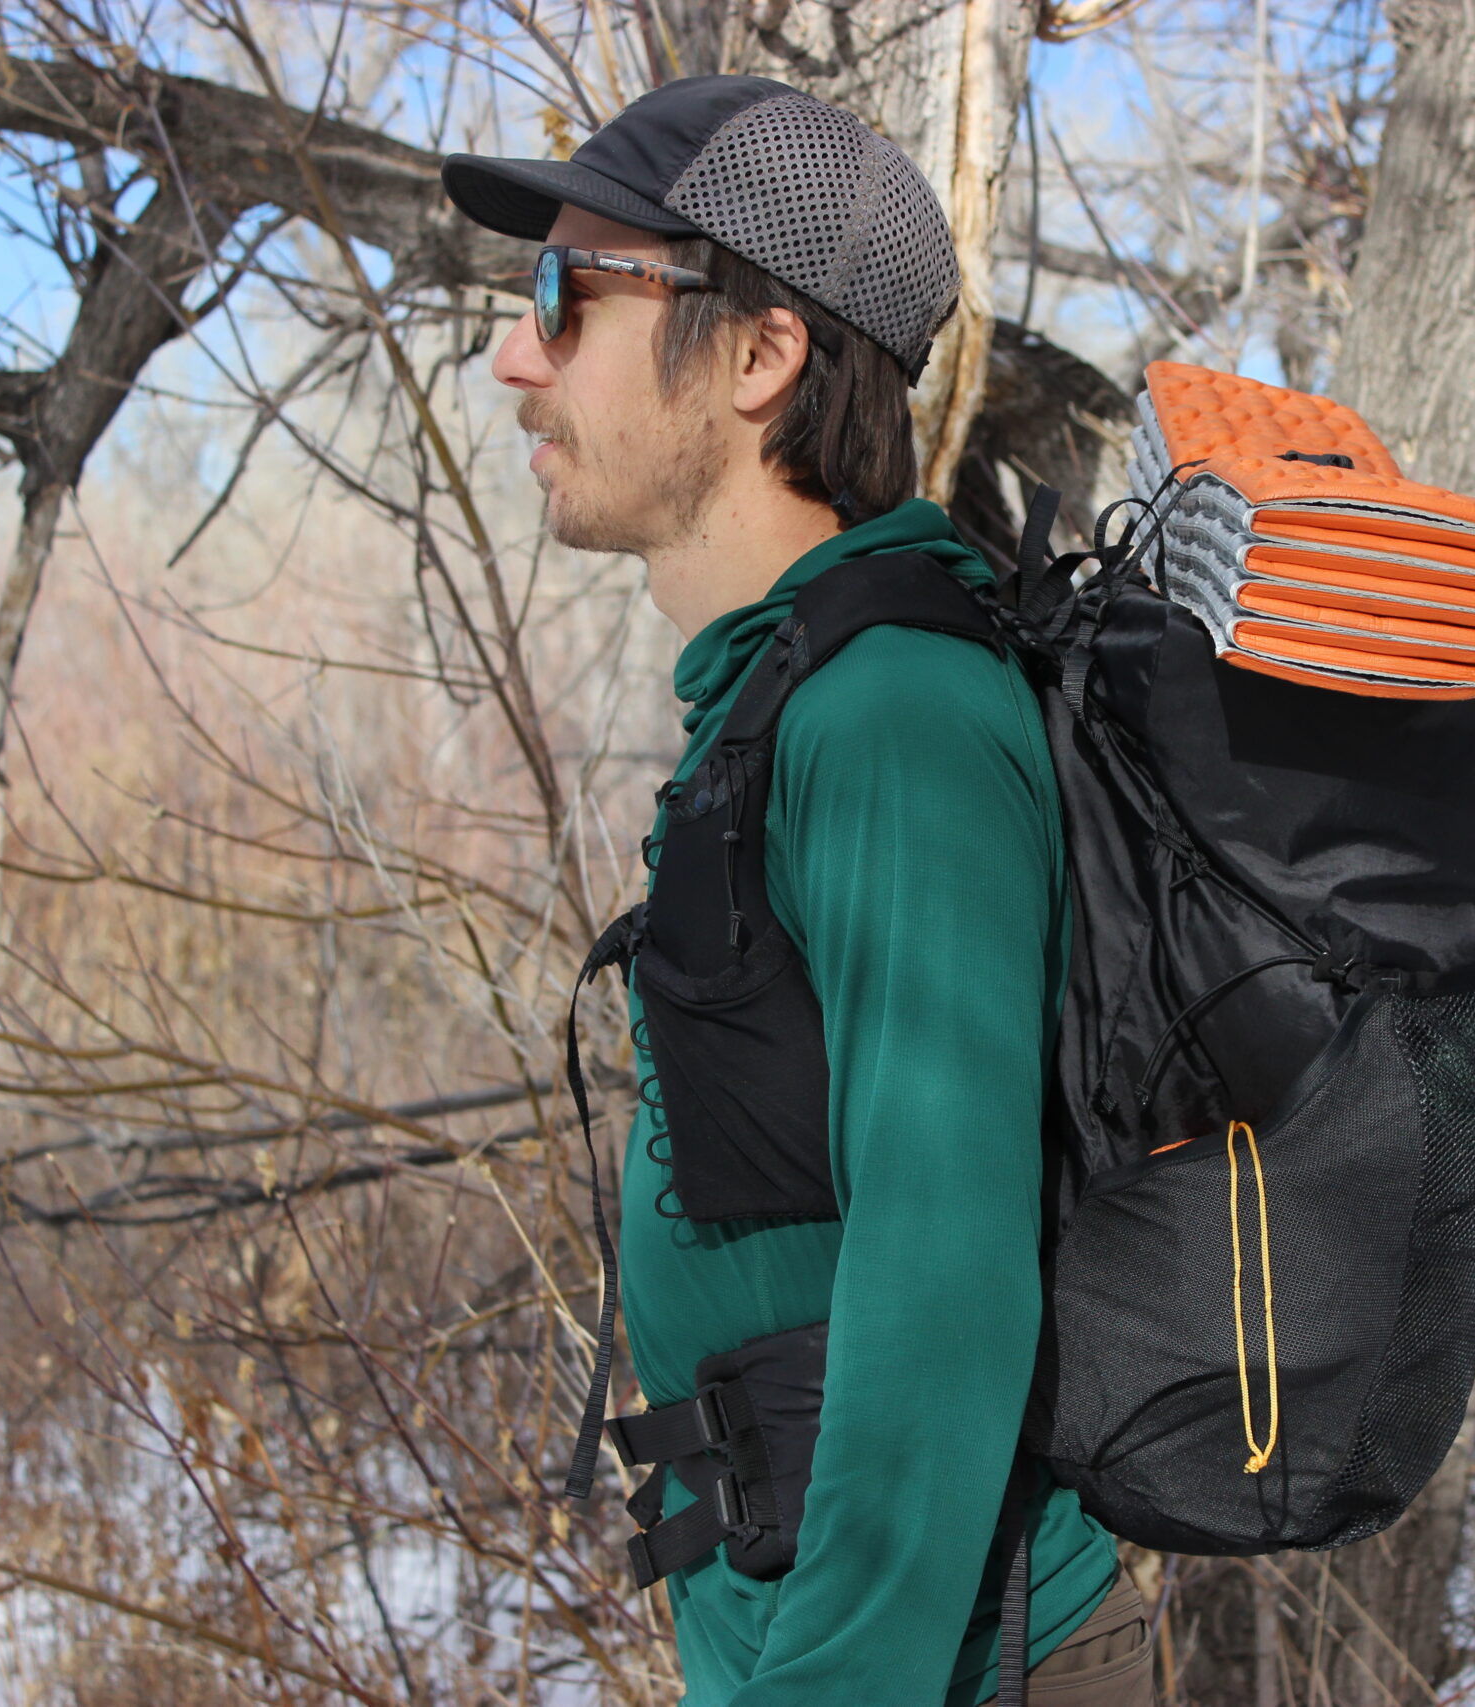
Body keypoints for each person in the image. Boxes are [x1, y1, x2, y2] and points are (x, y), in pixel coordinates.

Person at [442, 75, 1156, 1706]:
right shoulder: (783, 700)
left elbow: (945, 1276)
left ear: (761, 354)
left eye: (571, 294)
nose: (513, 353)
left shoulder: (893, 715)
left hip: (946, 1668)